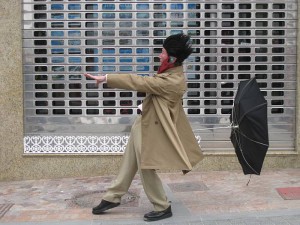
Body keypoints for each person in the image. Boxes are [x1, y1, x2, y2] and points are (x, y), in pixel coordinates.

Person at [84, 33, 204, 222]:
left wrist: (106, 78)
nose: (159, 56)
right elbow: (156, 97)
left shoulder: (173, 80)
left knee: (146, 166)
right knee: (130, 162)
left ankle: (162, 205)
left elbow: (138, 81)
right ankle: (113, 196)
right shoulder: (170, 73)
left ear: (172, 58)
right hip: (143, 123)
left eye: (162, 53)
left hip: (151, 129)